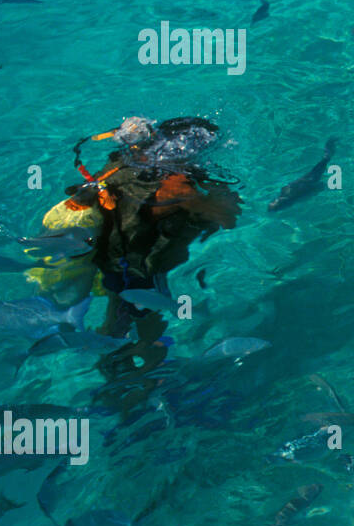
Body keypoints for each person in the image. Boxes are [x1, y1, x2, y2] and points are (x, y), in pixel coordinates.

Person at [35, 116, 241, 381]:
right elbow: (228, 219)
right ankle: (147, 381)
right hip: (141, 267)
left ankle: (112, 366)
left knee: (116, 317)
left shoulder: (122, 162)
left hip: (112, 259)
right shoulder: (176, 185)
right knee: (150, 328)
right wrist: (219, 194)